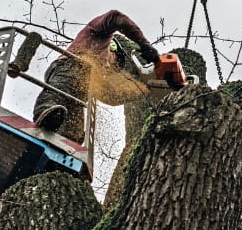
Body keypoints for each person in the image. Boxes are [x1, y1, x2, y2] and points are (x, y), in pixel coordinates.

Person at [33, 10, 160, 139]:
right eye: (114, 63)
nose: (110, 68)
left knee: (73, 133)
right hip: (70, 65)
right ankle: (45, 113)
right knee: (58, 95)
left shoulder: (96, 77)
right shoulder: (98, 35)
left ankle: (66, 141)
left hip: (79, 92)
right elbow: (116, 17)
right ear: (113, 49)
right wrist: (144, 44)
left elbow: (111, 96)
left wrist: (145, 89)